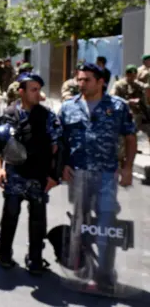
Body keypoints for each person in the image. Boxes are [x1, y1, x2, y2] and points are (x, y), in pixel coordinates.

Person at [59, 63, 136, 290]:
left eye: (87, 80)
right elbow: (60, 140)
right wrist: (62, 165)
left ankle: (104, 274)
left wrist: (128, 168)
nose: (81, 84)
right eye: (79, 80)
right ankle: (80, 267)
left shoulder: (118, 107)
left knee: (105, 225)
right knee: (79, 225)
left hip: (106, 175)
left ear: (101, 82)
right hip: (78, 174)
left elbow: (130, 138)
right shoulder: (68, 107)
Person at [0, 73, 61, 274]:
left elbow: (57, 147)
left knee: (38, 219)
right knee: (10, 214)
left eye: (39, 89)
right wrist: (0, 168)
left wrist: (53, 176)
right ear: (21, 91)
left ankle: (35, 259)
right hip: (14, 173)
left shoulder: (47, 115)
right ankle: (4, 254)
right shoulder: (9, 114)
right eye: (33, 89)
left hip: (38, 175)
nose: (38, 93)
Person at [110, 65, 150, 157]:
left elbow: (145, 88)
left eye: (134, 75)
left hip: (138, 114)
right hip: (124, 114)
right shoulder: (118, 85)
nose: (132, 77)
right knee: (126, 136)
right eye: (130, 75)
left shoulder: (137, 84)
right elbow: (113, 98)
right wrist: (127, 102)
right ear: (126, 74)